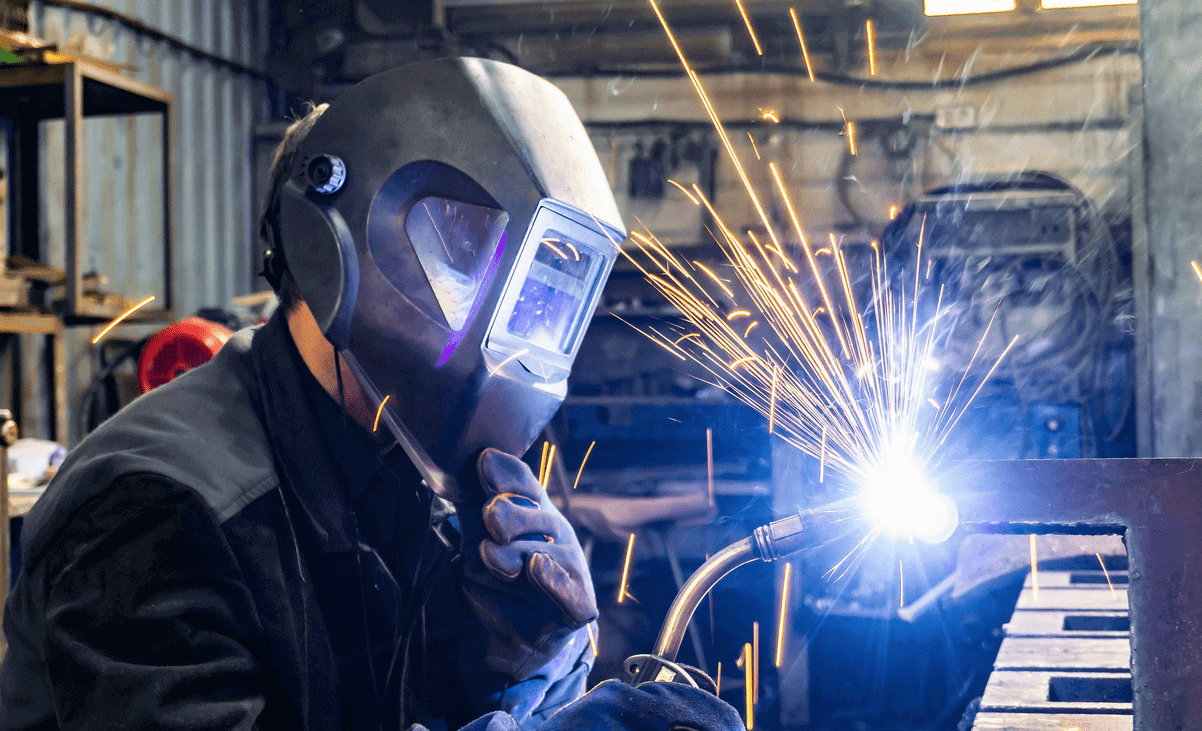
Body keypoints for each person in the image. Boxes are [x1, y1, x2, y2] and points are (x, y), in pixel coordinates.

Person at [0, 57, 640, 731]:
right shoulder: (155, 510)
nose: (496, 310)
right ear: (329, 246)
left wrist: (513, 654)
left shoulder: (403, 465)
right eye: (462, 256)